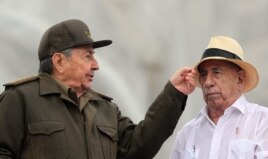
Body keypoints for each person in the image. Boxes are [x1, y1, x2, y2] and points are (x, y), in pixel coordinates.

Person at [0, 19, 197, 159]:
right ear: (59, 61)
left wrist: (174, 93)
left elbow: (140, 146)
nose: (96, 65)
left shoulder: (105, 109)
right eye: (88, 56)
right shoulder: (20, 99)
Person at [169, 36, 268, 159]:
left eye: (217, 72)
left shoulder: (262, 121)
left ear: (240, 79)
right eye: (203, 75)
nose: (208, 82)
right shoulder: (187, 133)